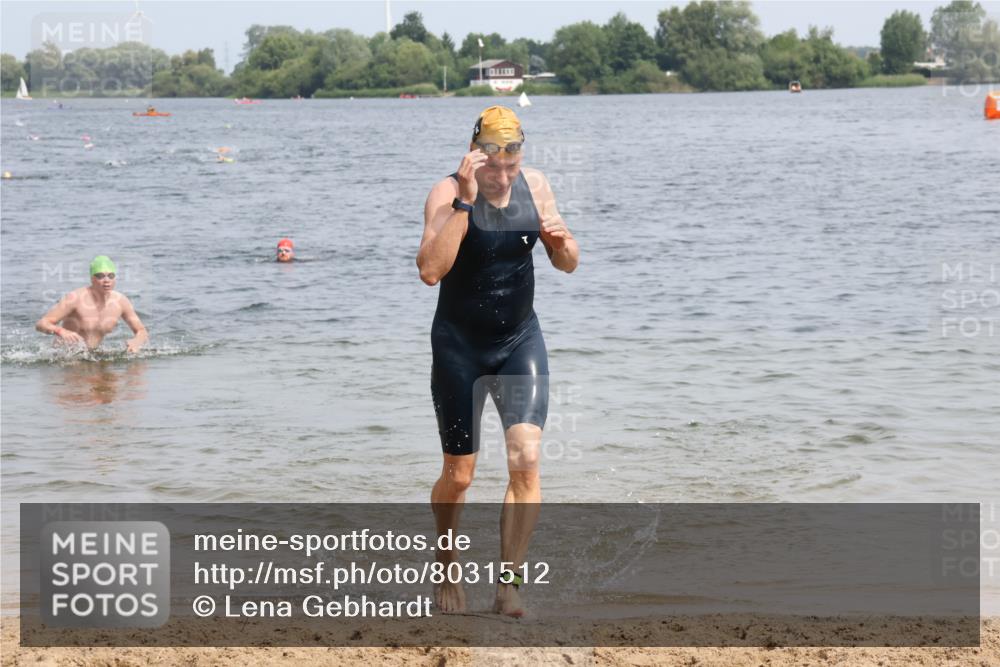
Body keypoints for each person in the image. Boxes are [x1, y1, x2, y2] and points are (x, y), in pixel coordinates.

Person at [416, 105, 579, 617]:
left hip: (518, 340)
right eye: (493, 166)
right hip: (459, 346)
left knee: (526, 458)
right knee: (459, 476)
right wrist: (465, 207)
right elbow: (429, 270)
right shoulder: (447, 193)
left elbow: (570, 262)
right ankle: (446, 562)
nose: (503, 177)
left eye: (511, 165)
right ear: (474, 155)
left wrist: (558, 242)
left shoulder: (537, 186)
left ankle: (509, 583)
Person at [35, 255, 148, 352]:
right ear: (92, 279)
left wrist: (136, 342)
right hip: (64, 357)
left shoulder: (121, 301)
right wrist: (61, 331)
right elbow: (41, 324)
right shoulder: (74, 298)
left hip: (92, 355)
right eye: (100, 276)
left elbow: (141, 331)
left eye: (111, 276)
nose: (106, 280)